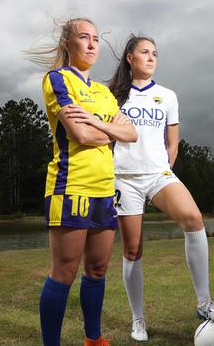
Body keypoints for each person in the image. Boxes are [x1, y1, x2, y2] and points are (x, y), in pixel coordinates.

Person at [109, 35, 214, 342]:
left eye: (155, 54)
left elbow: (172, 143)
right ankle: (138, 321)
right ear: (129, 58)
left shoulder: (168, 96)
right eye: (145, 53)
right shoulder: (112, 95)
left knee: (194, 219)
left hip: (158, 174)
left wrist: (163, 171)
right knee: (133, 250)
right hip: (123, 178)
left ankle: (204, 304)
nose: (151, 58)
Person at [36, 17, 137, 346]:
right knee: (63, 273)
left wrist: (97, 124)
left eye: (95, 38)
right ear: (68, 43)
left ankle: (93, 340)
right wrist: (106, 129)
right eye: (84, 37)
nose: (92, 44)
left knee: (97, 270)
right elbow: (78, 133)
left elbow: (130, 133)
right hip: (71, 186)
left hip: (105, 190)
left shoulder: (104, 93)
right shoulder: (58, 80)